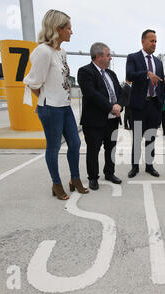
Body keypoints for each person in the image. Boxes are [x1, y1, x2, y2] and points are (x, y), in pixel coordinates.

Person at [23, 9, 88, 200]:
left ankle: (74, 179)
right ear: (58, 29)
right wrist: (44, 100)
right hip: (50, 108)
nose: (71, 32)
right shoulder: (43, 52)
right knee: (53, 147)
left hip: (65, 106)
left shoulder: (62, 52)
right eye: (68, 28)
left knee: (75, 143)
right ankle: (56, 183)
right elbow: (33, 82)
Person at [77, 42, 124, 191]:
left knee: (111, 149)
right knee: (93, 150)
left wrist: (120, 106)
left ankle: (109, 173)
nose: (110, 58)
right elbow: (91, 94)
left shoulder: (111, 74)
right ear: (98, 56)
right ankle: (93, 178)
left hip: (112, 120)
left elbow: (120, 93)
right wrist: (111, 107)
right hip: (94, 121)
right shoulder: (85, 71)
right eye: (108, 55)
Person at [126, 29, 165, 178]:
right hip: (139, 106)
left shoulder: (158, 62)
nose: (154, 44)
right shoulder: (133, 58)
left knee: (151, 138)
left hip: (154, 105)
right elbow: (129, 75)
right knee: (137, 138)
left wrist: (160, 102)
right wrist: (146, 74)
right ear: (143, 41)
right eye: (151, 41)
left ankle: (149, 166)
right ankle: (134, 167)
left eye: (156, 41)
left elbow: (161, 83)